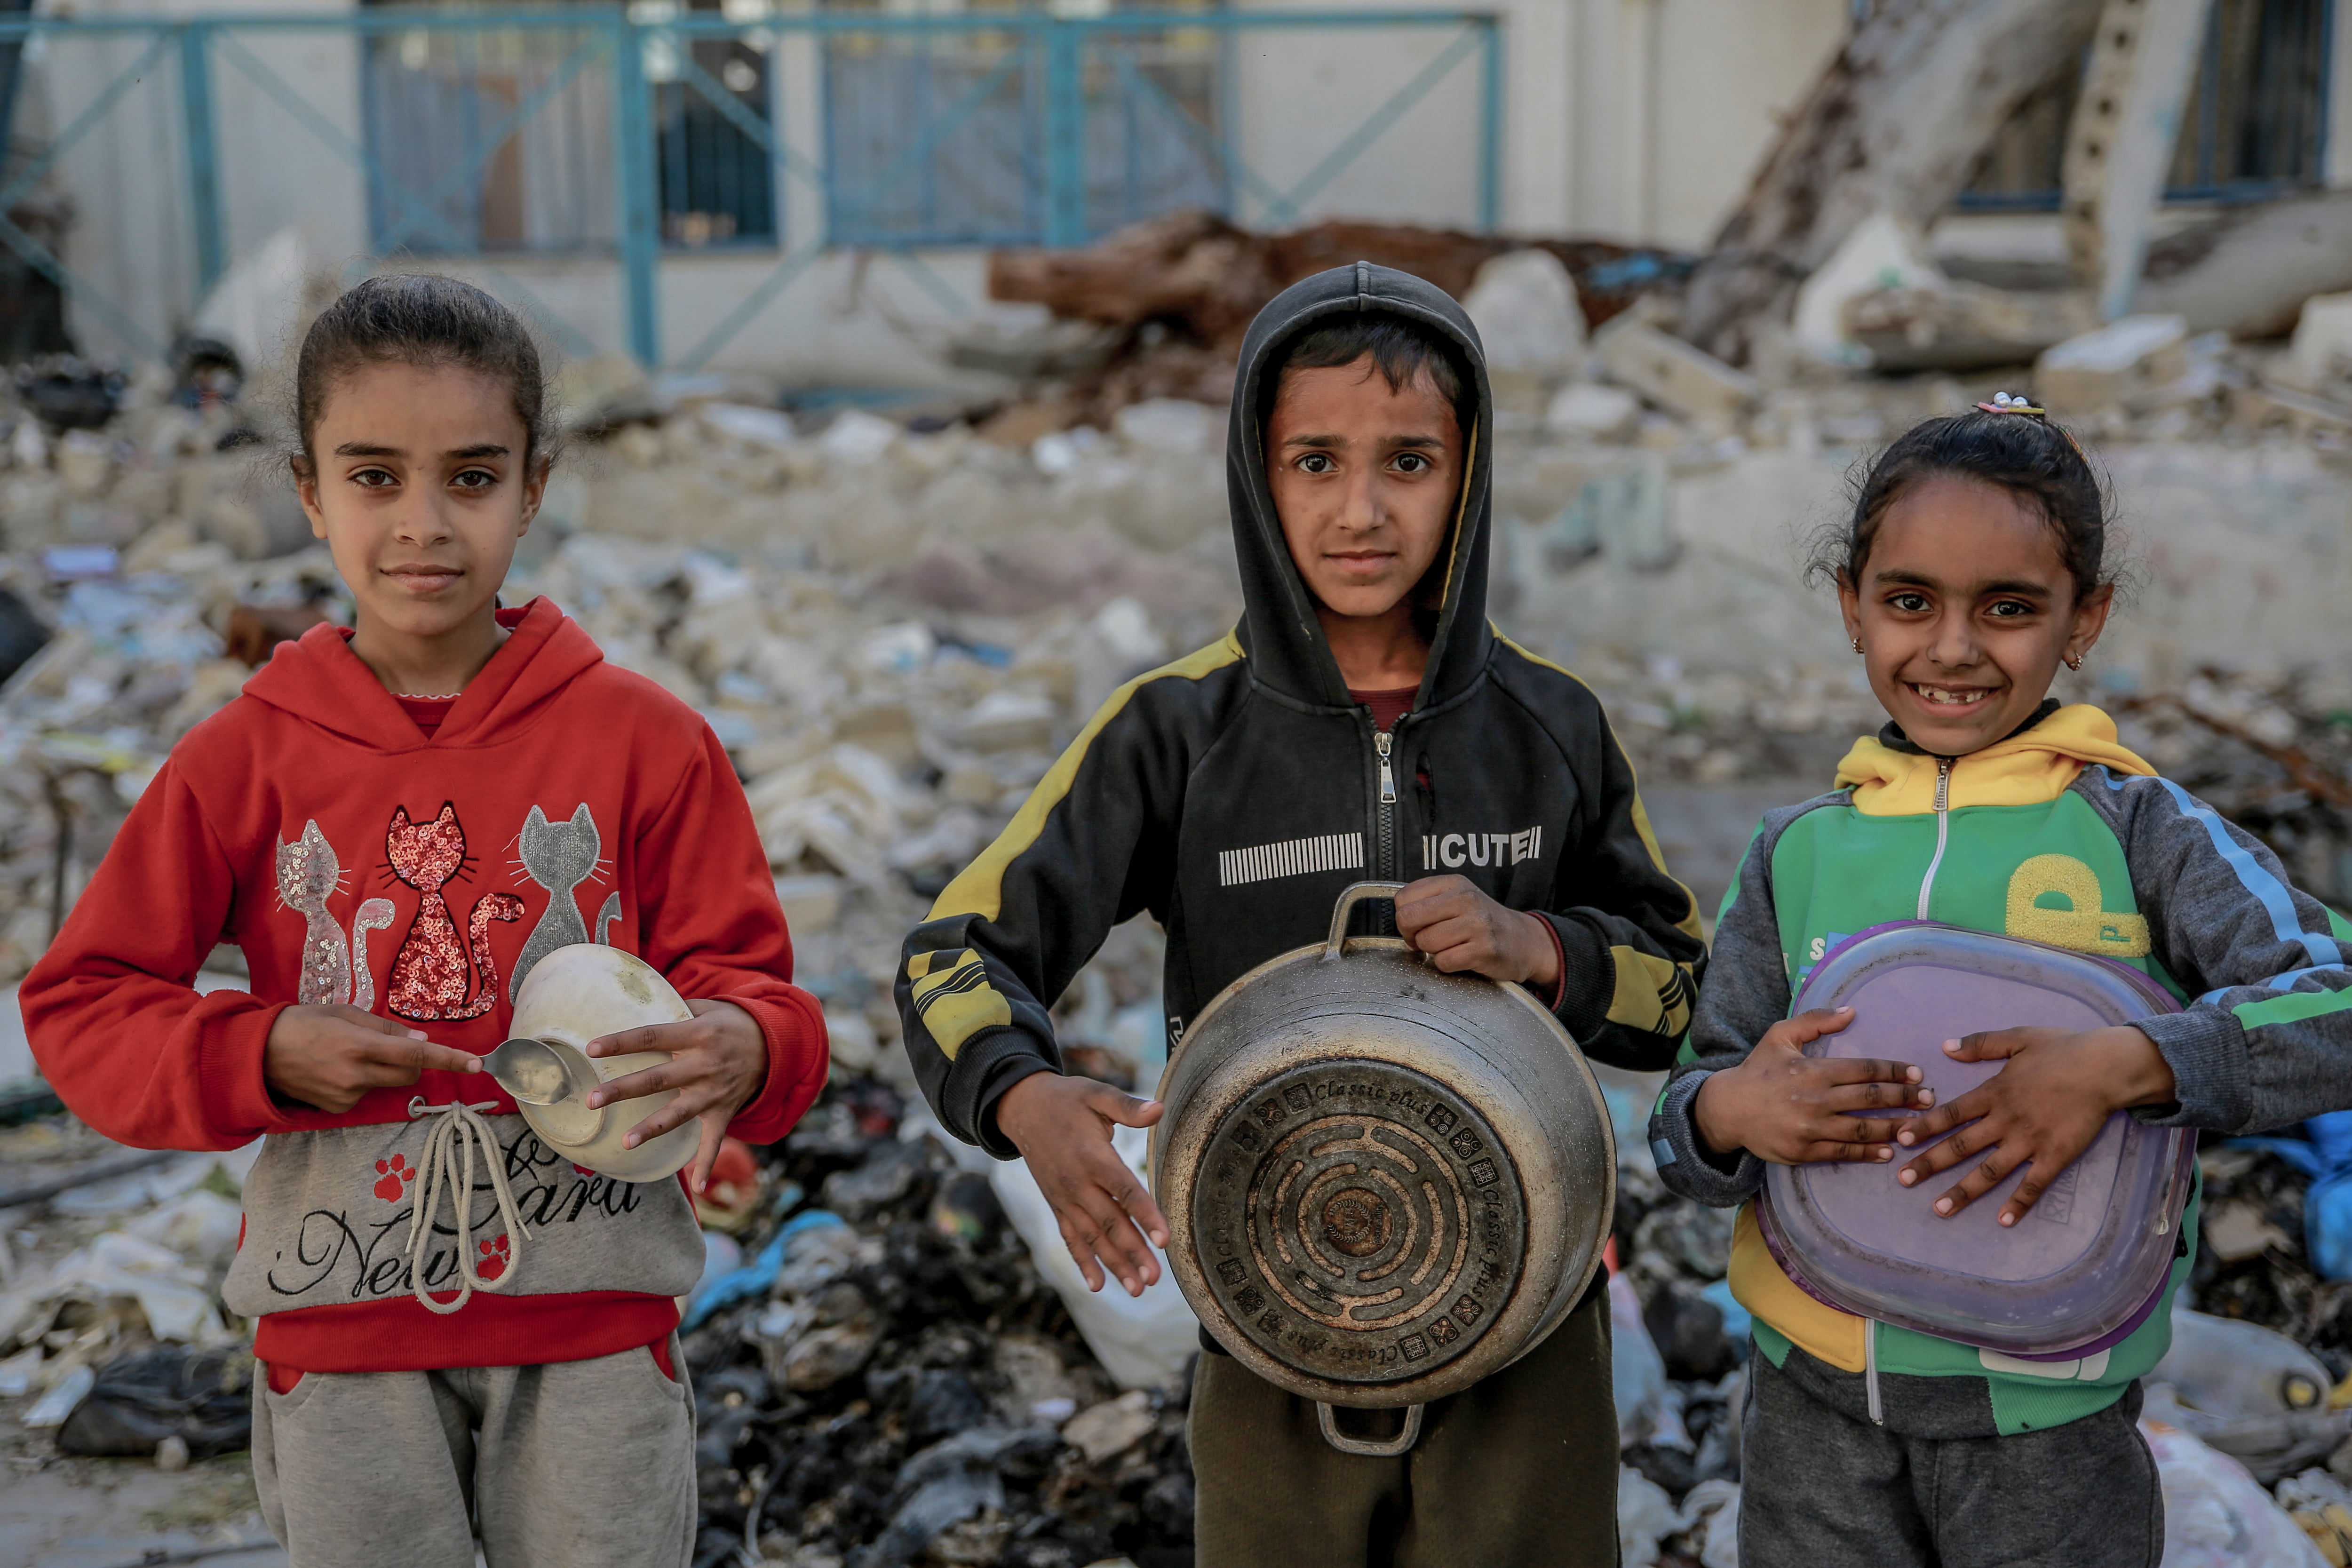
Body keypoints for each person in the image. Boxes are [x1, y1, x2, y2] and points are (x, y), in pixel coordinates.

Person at [894, 262, 1706, 1567]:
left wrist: (1542, 947)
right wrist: (1023, 1097)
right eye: (1315, 461)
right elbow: (954, 955)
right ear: (1254, 476)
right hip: (1269, 1314)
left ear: (1473, 474)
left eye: (1411, 461)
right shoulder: (1177, 733)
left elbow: (1685, 991)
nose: (1363, 509)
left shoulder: (1551, 728)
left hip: (1529, 1326)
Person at [21, 275, 829, 1568]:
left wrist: (744, 1043)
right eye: (374, 476)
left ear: (534, 484)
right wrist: (261, 1049)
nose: (422, 524)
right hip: (342, 1335)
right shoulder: (243, 758)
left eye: (469, 476)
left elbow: (758, 995)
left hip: (593, 1323)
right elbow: (83, 1001)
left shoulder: (646, 742)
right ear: (307, 490)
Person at [1645, 398, 2352, 1568]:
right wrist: (1730, 1113)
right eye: (1908, 600)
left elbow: (2333, 1004)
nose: (1953, 646)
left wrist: (2130, 1061)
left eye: (2010, 608)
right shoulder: (1796, 850)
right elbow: (1691, 1105)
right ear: (1850, 605)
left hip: (2049, 1422)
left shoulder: (2142, 827)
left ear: (2086, 619)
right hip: (1810, 1407)